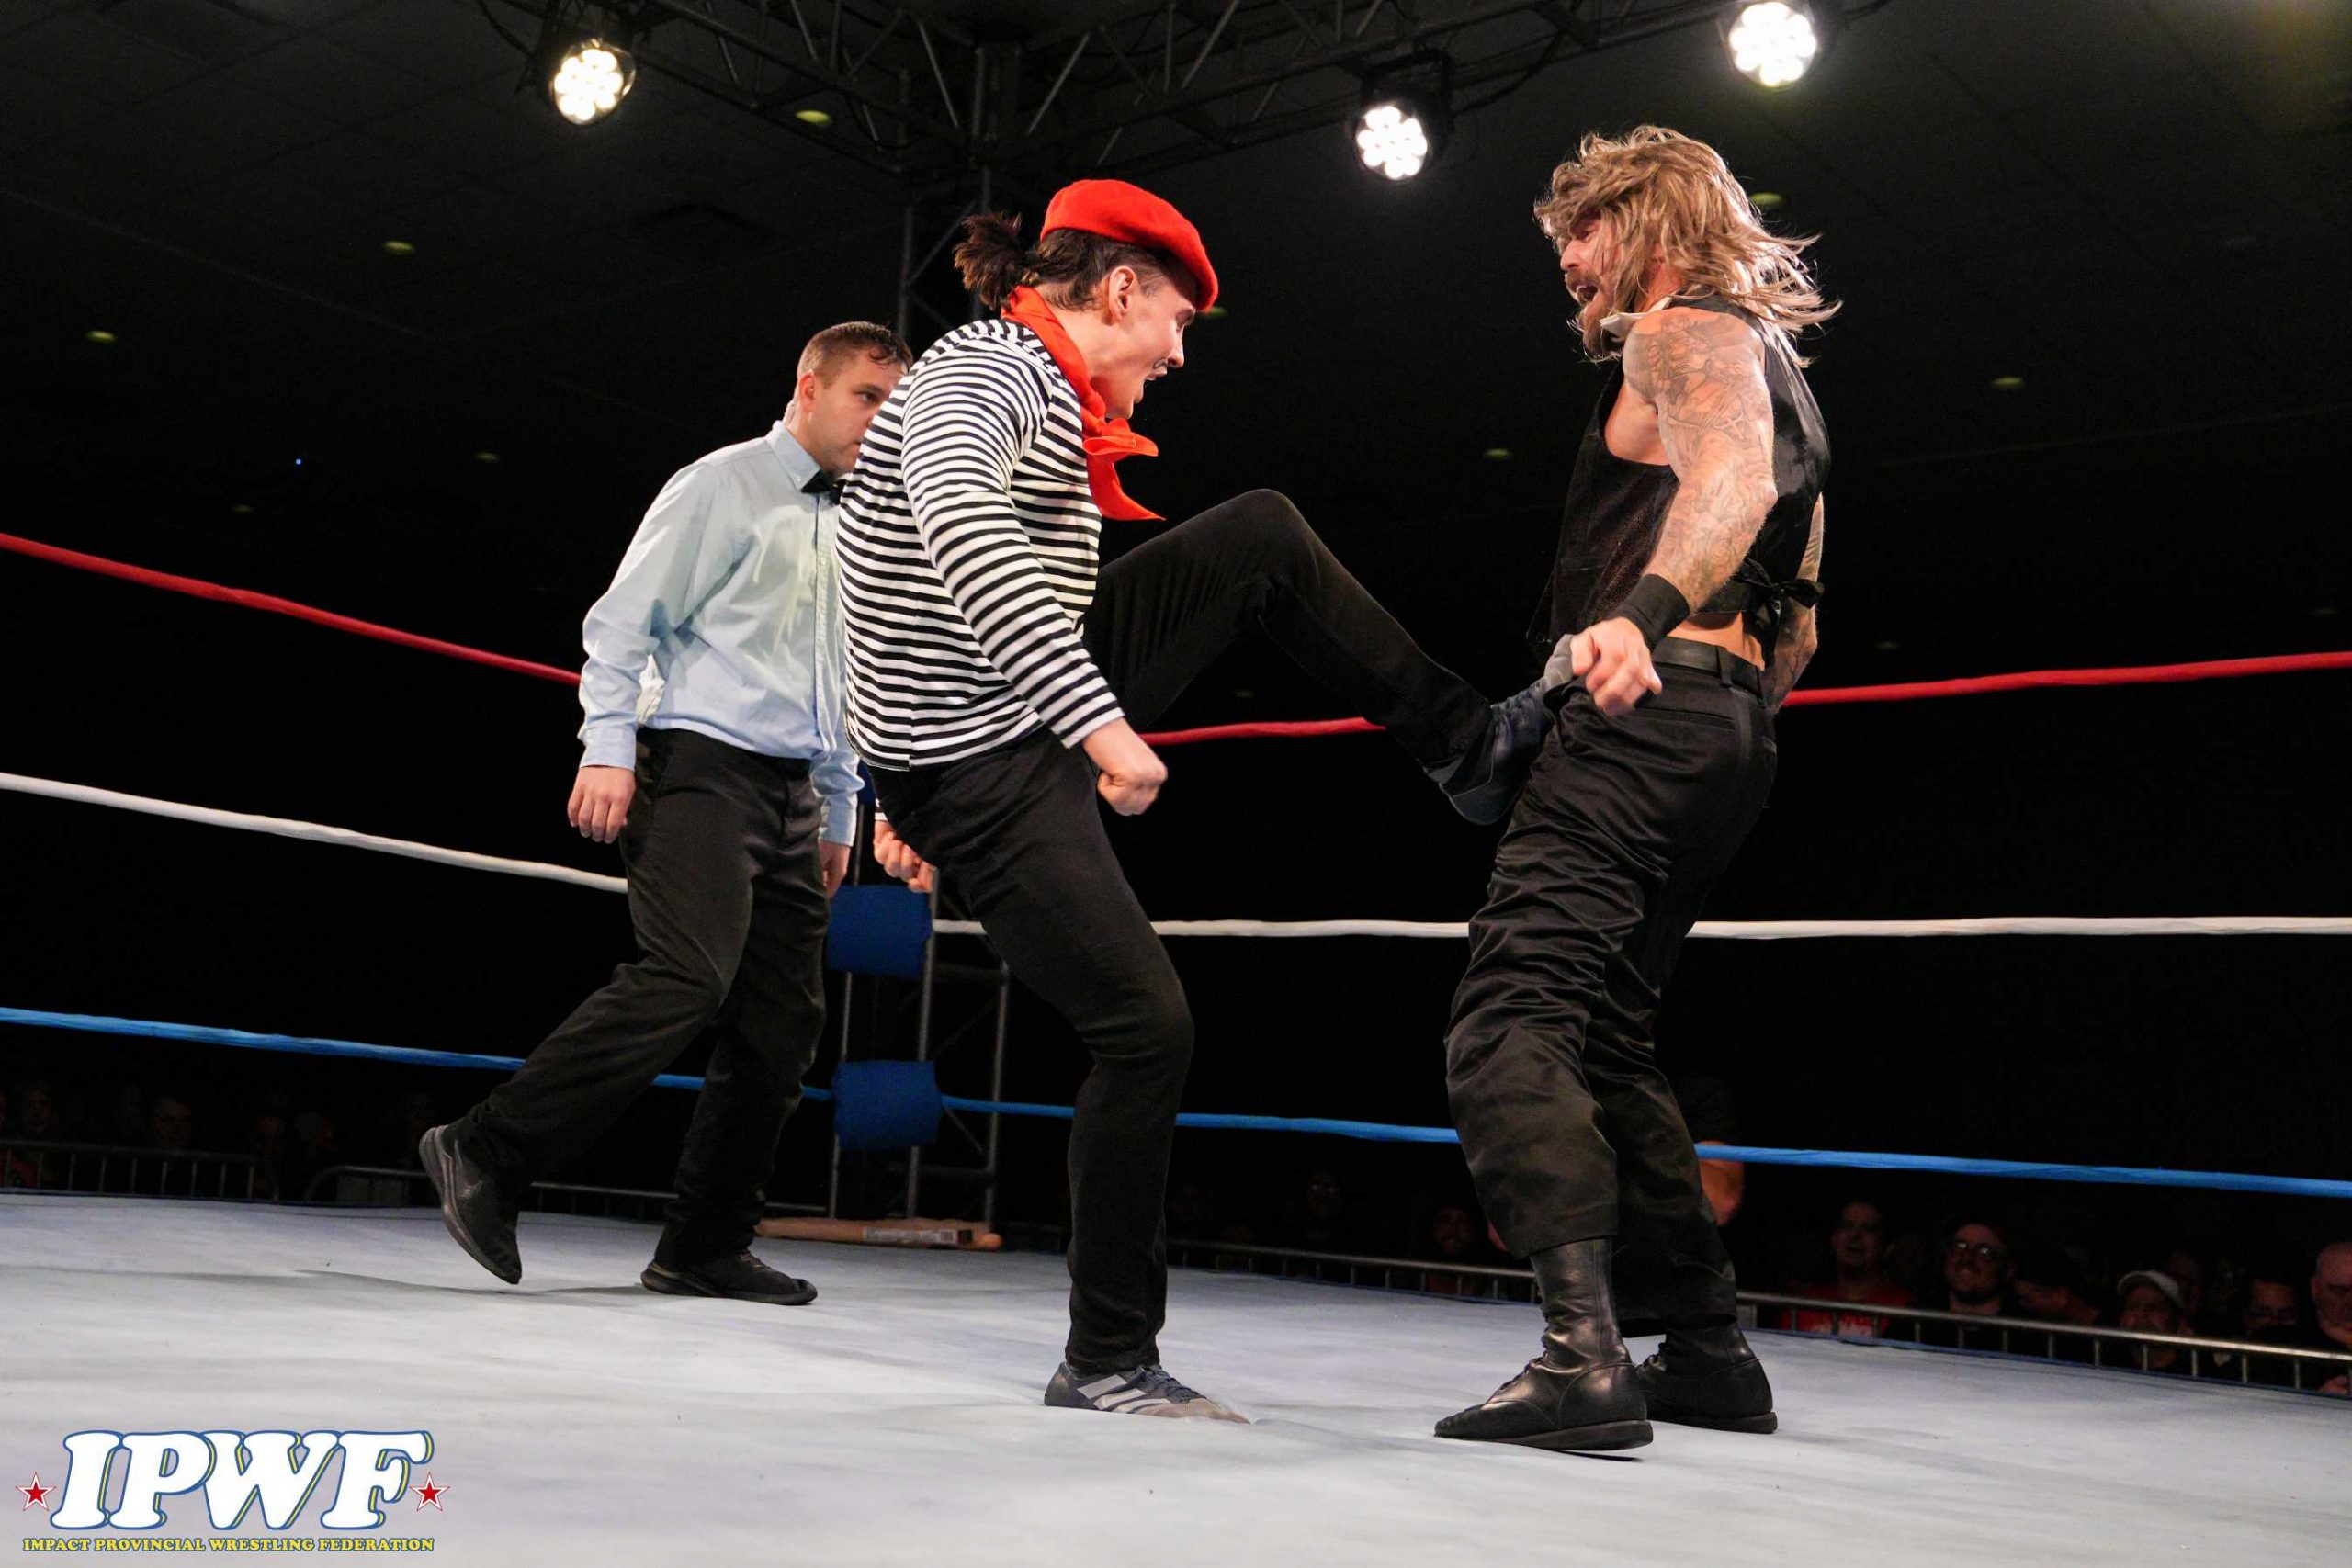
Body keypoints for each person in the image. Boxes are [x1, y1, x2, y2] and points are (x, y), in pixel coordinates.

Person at [844, 179, 1546, 1423]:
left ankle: (1468, 749)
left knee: (1260, 535)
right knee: (1143, 1026)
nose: (1176, 354)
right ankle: (1107, 1357)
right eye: (1175, 320)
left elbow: (899, 589)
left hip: (984, 715)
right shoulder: (988, 372)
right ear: (1119, 290)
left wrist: (896, 781)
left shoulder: (1036, 379)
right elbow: (953, 525)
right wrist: (1093, 724)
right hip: (988, 759)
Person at [1437, 127, 1833, 1452]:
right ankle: (1706, 1348)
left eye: (1586, 229)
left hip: (1644, 710)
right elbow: (1803, 618)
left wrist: (1639, 621)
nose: (1569, 259)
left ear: (1651, 224)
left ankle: (1581, 1357)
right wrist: (1722, 713)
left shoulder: (1680, 332)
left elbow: (1731, 485)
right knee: (1606, 1035)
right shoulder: (1779, 371)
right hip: (1730, 731)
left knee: (1510, 1014)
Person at [420, 321, 911, 1304]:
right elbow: (621, 622)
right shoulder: (722, 483)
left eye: (894, 407)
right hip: (695, 764)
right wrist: (606, 746)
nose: (881, 422)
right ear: (808, 388)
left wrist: (839, 807)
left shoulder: (868, 519)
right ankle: (485, 1147)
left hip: (792, 788)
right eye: (867, 397)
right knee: (686, 975)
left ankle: (704, 1244)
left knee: (783, 1024)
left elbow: (845, 672)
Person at [1776, 1200, 1912, 1337]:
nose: (1854, 1235)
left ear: (1888, 1247)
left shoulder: (1903, 1309)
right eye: (1846, 1226)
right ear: (1834, 1240)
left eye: (1868, 1229)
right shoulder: (1804, 1303)